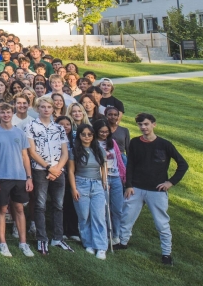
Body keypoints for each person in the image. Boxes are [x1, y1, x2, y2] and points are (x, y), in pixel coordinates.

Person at [120, 113, 189, 264]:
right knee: (126, 217)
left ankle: (166, 253)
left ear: (153, 124)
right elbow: (130, 165)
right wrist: (129, 185)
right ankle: (122, 242)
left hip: (156, 190)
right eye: (140, 125)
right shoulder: (135, 142)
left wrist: (170, 183)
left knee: (161, 223)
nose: (143, 127)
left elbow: (183, 165)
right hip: (136, 188)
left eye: (146, 124)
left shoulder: (165, 144)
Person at [0, 103, 35, 257]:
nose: (6, 115)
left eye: (8, 112)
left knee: (19, 209)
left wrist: (29, 177)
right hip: (2, 177)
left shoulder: (19, 133)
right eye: (2, 112)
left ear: (12, 113)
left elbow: (25, 156)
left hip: (19, 177)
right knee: (1, 209)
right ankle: (2, 243)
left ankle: (23, 243)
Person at [27, 97, 70, 255]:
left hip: (58, 171)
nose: (46, 109)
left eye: (49, 107)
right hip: (40, 170)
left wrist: (57, 168)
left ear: (53, 109)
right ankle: (41, 238)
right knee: (40, 205)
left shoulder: (58, 128)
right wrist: (48, 168)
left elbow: (65, 152)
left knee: (58, 205)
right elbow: (32, 151)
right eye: (43, 107)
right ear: (38, 109)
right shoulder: (31, 126)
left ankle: (58, 237)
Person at [68, 123, 108, 259]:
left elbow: (103, 167)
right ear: (79, 135)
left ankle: (101, 246)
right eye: (83, 134)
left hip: (97, 185)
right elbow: (71, 171)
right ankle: (88, 243)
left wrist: (104, 182)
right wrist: (73, 188)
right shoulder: (74, 151)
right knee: (84, 216)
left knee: (98, 216)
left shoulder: (99, 150)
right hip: (81, 183)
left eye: (89, 134)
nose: (86, 137)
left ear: (93, 136)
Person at [93, 119, 126, 247]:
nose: (104, 134)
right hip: (102, 178)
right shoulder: (93, 143)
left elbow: (119, 159)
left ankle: (116, 235)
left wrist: (123, 176)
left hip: (116, 177)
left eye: (106, 132)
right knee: (104, 208)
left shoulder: (112, 142)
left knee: (117, 208)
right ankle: (105, 234)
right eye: (101, 132)